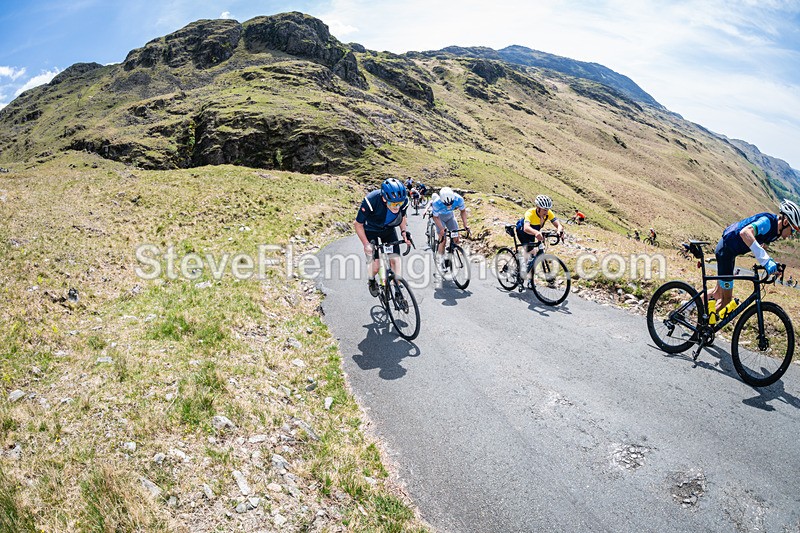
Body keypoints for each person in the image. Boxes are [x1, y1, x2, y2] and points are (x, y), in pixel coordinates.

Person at [707, 199, 800, 315]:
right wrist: (766, 262)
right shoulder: (767, 222)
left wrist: (773, 266)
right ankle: (704, 326)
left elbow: (762, 248)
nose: (792, 234)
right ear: (785, 222)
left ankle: (689, 307)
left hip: (729, 251)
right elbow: (745, 232)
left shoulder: (775, 233)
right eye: (792, 230)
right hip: (725, 250)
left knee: (717, 293)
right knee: (726, 300)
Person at [354, 178, 412, 297]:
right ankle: (371, 280)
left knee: (395, 261)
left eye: (399, 204)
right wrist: (366, 244)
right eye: (393, 204)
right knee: (375, 266)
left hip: (388, 230)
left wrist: (404, 232)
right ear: (384, 198)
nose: (397, 207)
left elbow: (402, 216)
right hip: (371, 230)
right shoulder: (371, 200)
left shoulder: (403, 201)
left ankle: (397, 290)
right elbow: (358, 224)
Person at [515, 195, 564, 278]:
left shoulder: (548, 213)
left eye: (548, 209)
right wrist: (536, 233)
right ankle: (521, 270)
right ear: (538, 208)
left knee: (534, 254)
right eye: (544, 210)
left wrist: (559, 231)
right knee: (531, 251)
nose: (546, 212)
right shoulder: (530, 213)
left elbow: (558, 225)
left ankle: (528, 276)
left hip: (534, 231)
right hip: (522, 230)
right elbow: (526, 228)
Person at [431, 187, 470, 269]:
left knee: (456, 238)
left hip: (450, 217)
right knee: (443, 240)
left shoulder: (459, 199)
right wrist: (441, 229)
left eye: (451, 203)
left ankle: (451, 250)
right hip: (440, 218)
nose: (449, 205)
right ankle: (440, 259)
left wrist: (465, 225)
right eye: (446, 204)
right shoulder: (436, 203)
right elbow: (435, 217)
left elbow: (463, 211)